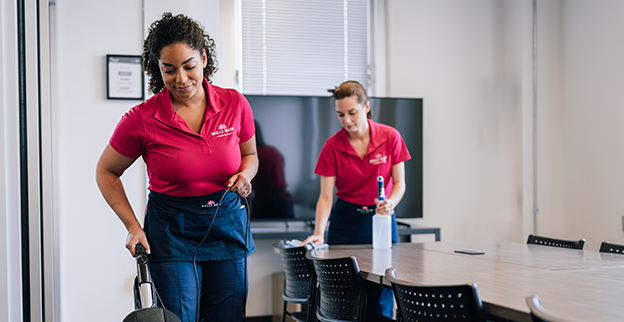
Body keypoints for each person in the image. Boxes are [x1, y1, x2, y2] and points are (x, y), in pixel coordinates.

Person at [95, 13, 258, 322]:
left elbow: (250, 155)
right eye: (168, 70)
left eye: (189, 66)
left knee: (228, 316)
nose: (181, 78)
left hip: (227, 224)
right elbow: (106, 171)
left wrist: (245, 176)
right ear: (157, 69)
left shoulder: (235, 104)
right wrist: (132, 226)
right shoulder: (142, 118)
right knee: (178, 318)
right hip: (172, 231)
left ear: (204, 58)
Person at [301, 80, 411, 318]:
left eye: (352, 113)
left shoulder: (390, 137)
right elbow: (326, 196)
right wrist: (319, 231)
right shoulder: (332, 146)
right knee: (344, 294)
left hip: (381, 219)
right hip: (346, 221)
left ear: (367, 107)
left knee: (381, 291)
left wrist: (390, 202)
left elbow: (400, 183)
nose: (347, 121)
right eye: (340, 115)